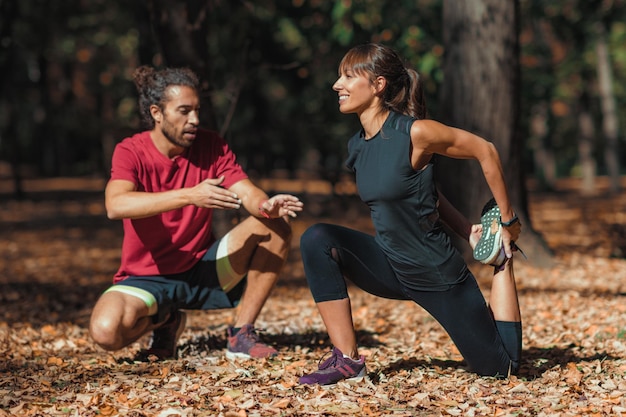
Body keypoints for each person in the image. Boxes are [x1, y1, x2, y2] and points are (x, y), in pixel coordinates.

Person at [298, 43, 522, 385]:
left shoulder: (416, 132)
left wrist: (507, 221)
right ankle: (347, 360)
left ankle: (502, 262)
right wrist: (465, 228)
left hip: (436, 275)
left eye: (347, 76)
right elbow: (420, 191)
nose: (336, 85)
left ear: (377, 85)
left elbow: (485, 150)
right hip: (390, 264)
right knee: (317, 239)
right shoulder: (358, 144)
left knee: (500, 370)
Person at [89, 66, 303, 361]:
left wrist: (266, 206)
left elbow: (246, 191)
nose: (195, 120)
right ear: (157, 113)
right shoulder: (131, 151)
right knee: (105, 332)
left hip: (204, 268)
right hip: (146, 278)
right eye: (184, 111)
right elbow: (116, 205)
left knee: (274, 225)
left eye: (197, 110)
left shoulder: (211, 145)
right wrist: (190, 195)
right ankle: (166, 321)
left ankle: (241, 334)